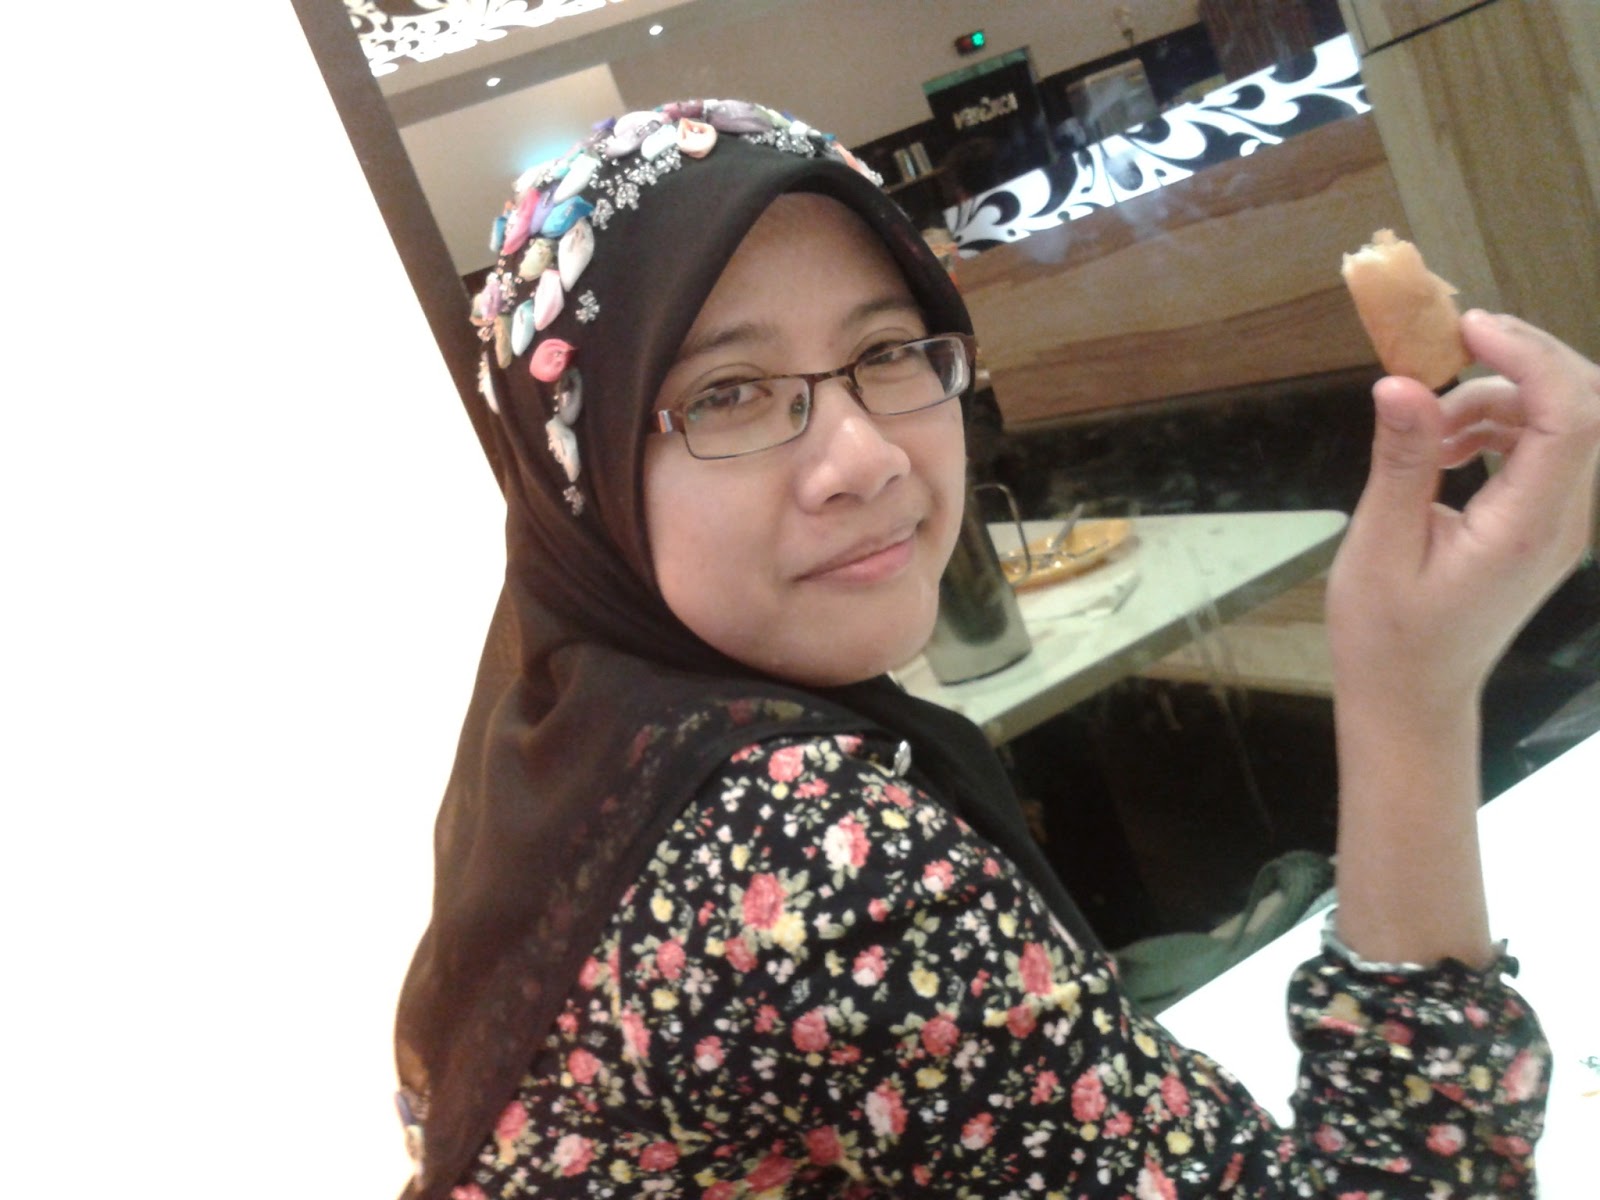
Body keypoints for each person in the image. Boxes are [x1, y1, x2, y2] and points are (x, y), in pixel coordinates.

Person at [393, 99, 1600, 1199]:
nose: (866, 457)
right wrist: (1411, 691)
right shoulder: (815, 865)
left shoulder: (564, 741)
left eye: (885, 353)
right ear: (581, 471)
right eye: (726, 394)